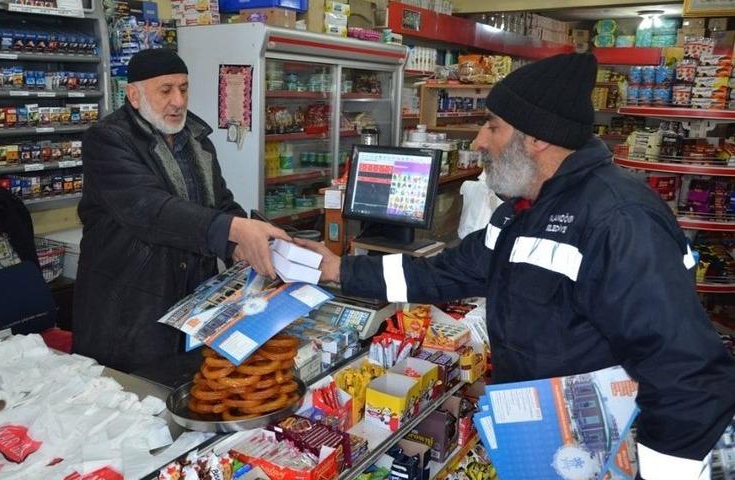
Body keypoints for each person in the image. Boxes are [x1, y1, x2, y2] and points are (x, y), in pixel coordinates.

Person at [296, 53, 735, 479]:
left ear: (536, 136)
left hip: (602, 448)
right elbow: (448, 271)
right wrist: (338, 270)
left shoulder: (619, 220)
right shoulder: (523, 209)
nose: (478, 142)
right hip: (543, 438)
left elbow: (685, 378)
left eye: (492, 127)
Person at [74, 48, 289, 372]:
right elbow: (150, 209)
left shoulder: (196, 139)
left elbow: (220, 202)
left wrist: (239, 245)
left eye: (184, 88)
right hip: (132, 312)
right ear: (134, 95)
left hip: (194, 304)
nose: (178, 101)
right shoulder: (107, 140)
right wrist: (234, 230)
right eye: (165, 90)